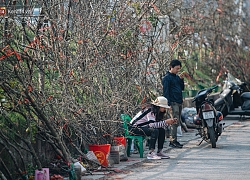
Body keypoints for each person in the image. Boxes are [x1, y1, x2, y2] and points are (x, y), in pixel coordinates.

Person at [162, 59, 185, 148]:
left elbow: (182, 88)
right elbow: (166, 92)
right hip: (173, 102)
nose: (178, 70)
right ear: (171, 67)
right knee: (173, 121)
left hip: (179, 101)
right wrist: (168, 104)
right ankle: (172, 141)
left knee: (177, 121)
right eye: (176, 68)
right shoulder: (166, 78)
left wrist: (182, 79)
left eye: (179, 69)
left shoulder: (177, 77)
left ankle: (174, 140)